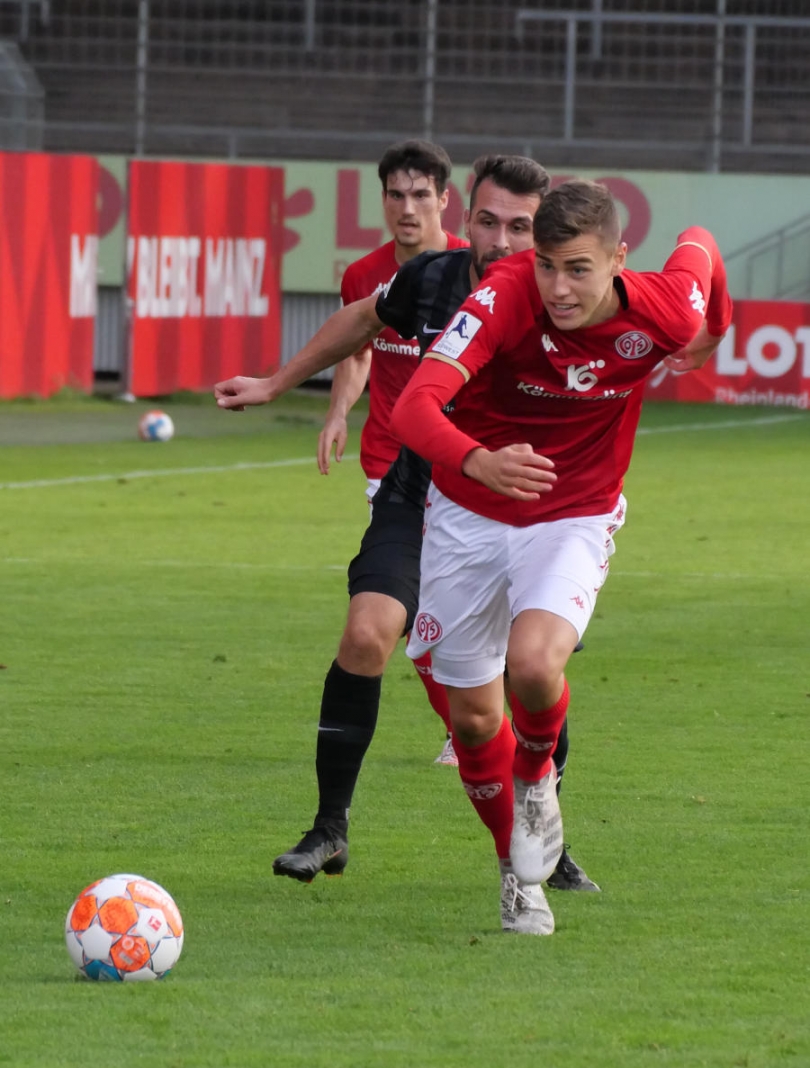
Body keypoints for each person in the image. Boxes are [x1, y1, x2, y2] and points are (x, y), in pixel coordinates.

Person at [215, 157, 599, 925]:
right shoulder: (430, 280)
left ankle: (540, 831)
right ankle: (329, 829)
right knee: (366, 634)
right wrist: (276, 383)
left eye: (518, 226)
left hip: (515, 517)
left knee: (509, 691)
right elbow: (362, 319)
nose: (497, 240)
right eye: (487, 222)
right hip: (416, 496)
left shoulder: (567, 301)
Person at [388, 178, 732, 934]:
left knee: (537, 666)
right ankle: (518, 873)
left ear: (619, 258)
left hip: (575, 514)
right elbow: (414, 405)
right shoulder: (506, 296)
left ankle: (538, 773)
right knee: (475, 721)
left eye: (578, 268)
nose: (558, 286)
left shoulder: (663, 309)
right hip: (469, 514)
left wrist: (711, 334)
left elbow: (701, 246)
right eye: (546, 265)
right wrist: (479, 461)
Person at [318, 140, 467, 767]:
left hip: (461, 466)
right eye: (395, 195)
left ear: (444, 199)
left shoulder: (474, 267)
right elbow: (357, 352)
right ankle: (465, 732)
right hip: (390, 464)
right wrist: (337, 411)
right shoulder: (364, 274)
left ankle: (478, 724)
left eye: (419, 195)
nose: (407, 208)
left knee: (449, 612)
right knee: (414, 614)